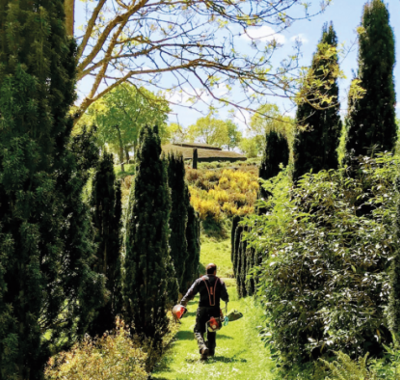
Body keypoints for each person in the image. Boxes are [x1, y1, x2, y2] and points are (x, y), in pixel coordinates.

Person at [180, 263, 229, 360]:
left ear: (206, 271)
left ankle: (203, 348)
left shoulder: (199, 281)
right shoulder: (219, 281)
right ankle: (210, 351)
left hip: (202, 309)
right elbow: (225, 297)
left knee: (198, 330)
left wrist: (182, 303)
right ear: (215, 271)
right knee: (212, 329)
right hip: (214, 309)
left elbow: (190, 293)